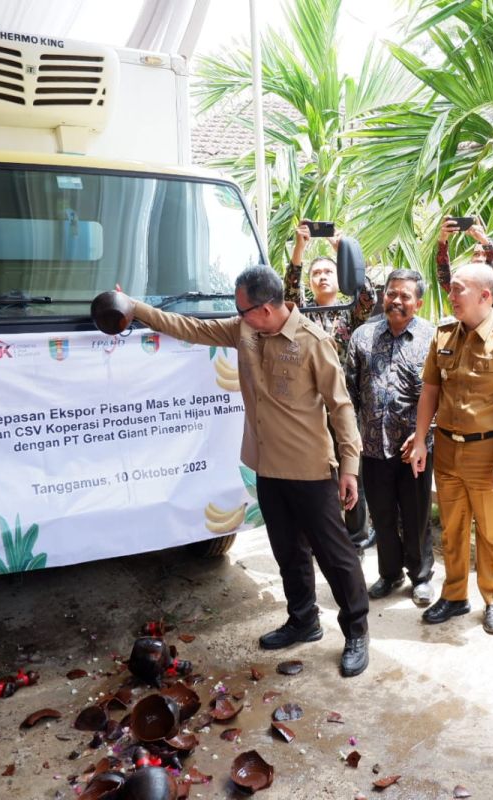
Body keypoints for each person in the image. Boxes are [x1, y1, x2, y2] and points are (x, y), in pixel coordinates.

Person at [119, 266, 370, 677]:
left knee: (335, 556)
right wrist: (135, 307)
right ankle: (303, 620)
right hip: (267, 468)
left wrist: (349, 468)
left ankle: (356, 630)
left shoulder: (313, 342)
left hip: (309, 469)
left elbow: (341, 407)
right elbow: (189, 328)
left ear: (267, 309)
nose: (238, 317)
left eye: (244, 310)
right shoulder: (244, 331)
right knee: (288, 551)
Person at [408, 263, 493, 635]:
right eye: (452, 289)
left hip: (487, 453)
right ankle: (455, 595)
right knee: (452, 528)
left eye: (459, 289)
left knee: (492, 530)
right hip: (447, 449)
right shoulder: (443, 334)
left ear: (485, 296)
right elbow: (430, 390)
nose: (451, 295)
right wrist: (419, 440)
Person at [343, 270, 435, 606]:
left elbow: (441, 394)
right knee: (381, 516)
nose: (396, 300)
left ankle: (421, 576)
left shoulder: (431, 338)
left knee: (416, 515)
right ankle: (390, 573)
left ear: (418, 302)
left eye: (405, 296)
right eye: (391, 293)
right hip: (372, 446)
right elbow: (349, 390)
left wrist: (425, 434)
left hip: (415, 450)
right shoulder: (363, 337)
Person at [286, 221, 378, 551]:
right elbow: (288, 296)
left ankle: (356, 536)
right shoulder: (303, 314)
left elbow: (367, 296)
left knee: (352, 471)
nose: (323, 276)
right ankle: (318, 536)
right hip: (309, 405)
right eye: (317, 273)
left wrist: (344, 254)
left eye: (329, 271)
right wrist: (300, 251)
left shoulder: (349, 314)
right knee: (314, 474)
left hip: (345, 405)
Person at [436, 217, 493, 319]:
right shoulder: (464, 285)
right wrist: (443, 239)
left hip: (492, 334)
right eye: (476, 254)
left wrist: (484, 241)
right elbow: (444, 279)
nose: (479, 259)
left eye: (485, 255)